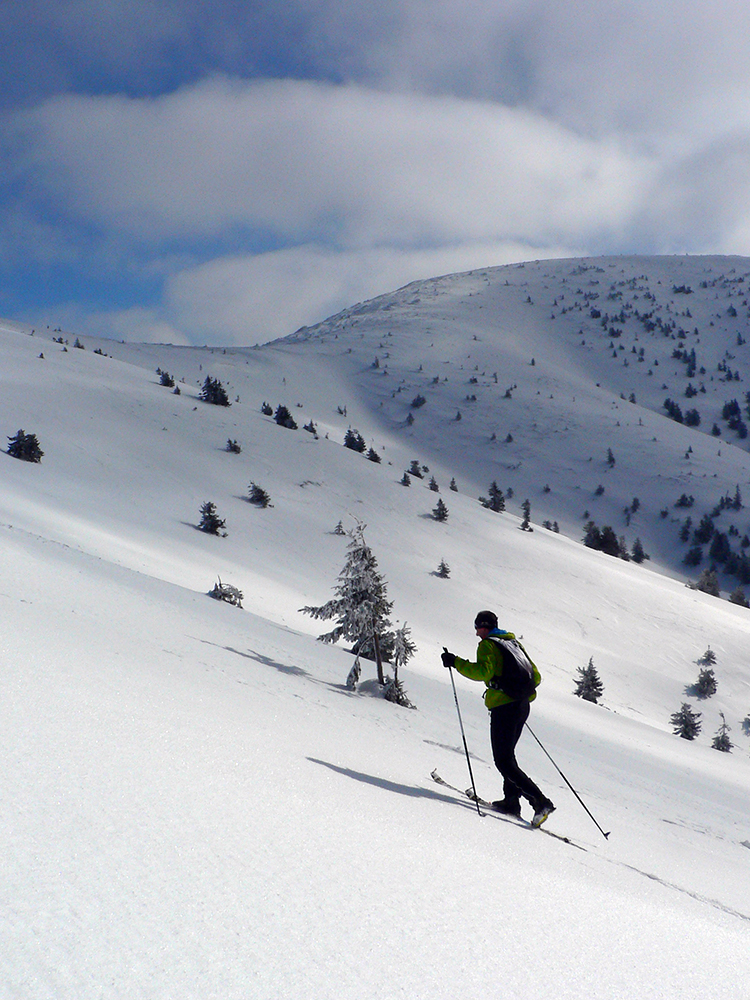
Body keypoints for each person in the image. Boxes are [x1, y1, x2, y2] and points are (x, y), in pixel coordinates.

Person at [442, 610, 555, 828]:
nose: (476, 633)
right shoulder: (512, 643)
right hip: (522, 706)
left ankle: (540, 802)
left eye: (477, 628)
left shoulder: (488, 645)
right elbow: (536, 676)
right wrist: (516, 691)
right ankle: (511, 801)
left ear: (483, 626)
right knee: (508, 757)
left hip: (504, 707)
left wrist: (455, 662)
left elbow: (482, 672)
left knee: (503, 761)